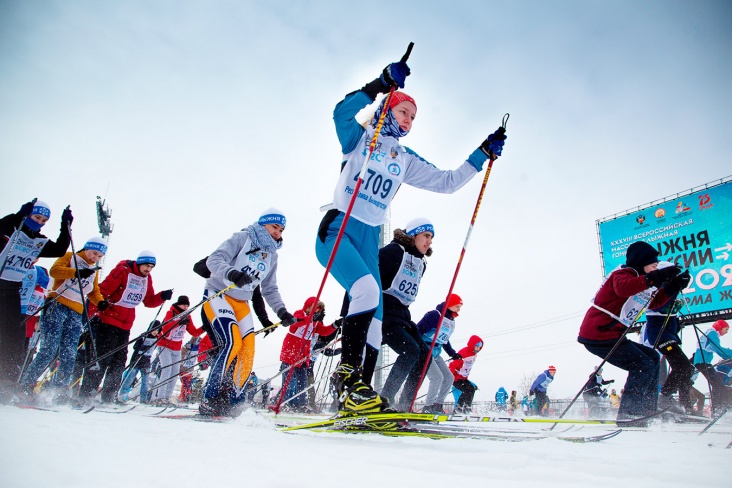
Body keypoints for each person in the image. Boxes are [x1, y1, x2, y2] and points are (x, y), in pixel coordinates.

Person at [314, 55, 507, 414]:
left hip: (369, 237)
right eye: (404, 112)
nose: (408, 120)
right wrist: (379, 84)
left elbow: (447, 182)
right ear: (388, 108)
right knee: (369, 292)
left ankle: (358, 398)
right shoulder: (360, 138)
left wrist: (482, 154)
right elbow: (340, 113)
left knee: (374, 314)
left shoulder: (404, 158)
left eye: (413, 117)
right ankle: (347, 376)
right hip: (340, 226)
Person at [199, 209, 296, 417]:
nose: (278, 233)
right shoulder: (243, 237)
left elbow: (269, 288)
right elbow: (214, 259)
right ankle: (209, 397)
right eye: (274, 227)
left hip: (242, 302)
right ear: (263, 225)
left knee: (248, 349)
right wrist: (231, 272)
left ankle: (235, 399)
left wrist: (281, 311)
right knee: (231, 342)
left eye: (281, 230)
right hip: (219, 293)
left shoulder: (272, 256)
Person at [577, 240, 680, 422]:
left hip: (612, 335)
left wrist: (673, 287)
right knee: (642, 364)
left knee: (652, 358)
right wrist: (657, 277)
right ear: (642, 263)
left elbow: (654, 303)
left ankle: (646, 409)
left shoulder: (642, 283)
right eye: (653, 266)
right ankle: (629, 413)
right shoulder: (624, 273)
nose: (656, 269)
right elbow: (622, 288)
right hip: (598, 333)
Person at [20, 237, 108, 404]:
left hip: (76, 311)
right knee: (49, 349)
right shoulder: (70, 257)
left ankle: (60, 391)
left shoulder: (93, 270)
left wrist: (100, 302)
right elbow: (55, 271)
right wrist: (75, 272)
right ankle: (27, 384)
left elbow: (93, 291)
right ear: (86, 248)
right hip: (57, 304)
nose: (94, 258)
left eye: (99, 256)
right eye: (94, 253)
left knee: (69, 353)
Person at [78, 250, 171, 405]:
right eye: (146, 266)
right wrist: (89, 318)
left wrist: (162, 296)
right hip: (108, 321)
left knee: (119, 362)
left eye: (151, 267)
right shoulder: (122, 271)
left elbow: (148, 301)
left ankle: (109, 396)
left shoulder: (146, 279)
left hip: (125, 325)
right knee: (102, 359)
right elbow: (101, 291)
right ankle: (87, 394)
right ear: (139, 263)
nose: (148, 269)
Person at [0, 200, 72, 392]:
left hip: (12, 288)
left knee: (14, 336)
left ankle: (6, 381)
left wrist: (65, 227)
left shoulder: (37, 240)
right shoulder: (11, 228)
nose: (39, 222)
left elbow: (58, 250)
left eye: (43, 220)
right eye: (36, 217)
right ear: (27, 215)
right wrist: (18, 216)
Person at [374, 218, 434, 411]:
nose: (429, 241)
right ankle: (384, 401)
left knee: (425, 355)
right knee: (410, 350)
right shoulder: (392, 252)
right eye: (426, 235)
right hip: (382, 311)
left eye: (431, 237)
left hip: (402, 315)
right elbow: (368, 275)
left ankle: (405, 403)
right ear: (413, 235)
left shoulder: (421, 264)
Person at [641, 261, 694, 413]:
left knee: (687, 369)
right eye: (673, 274)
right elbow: (657, 306)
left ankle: (686, 406)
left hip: (668, 334)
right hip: (660, 335)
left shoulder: (669, 288)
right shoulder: (657, 289)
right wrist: (676, 286)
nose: (674, 276)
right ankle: (664, 397)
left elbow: (668, 310)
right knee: (683, 366)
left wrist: (677, 324)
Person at [278, 297, 336, 412]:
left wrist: (335, 325)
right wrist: (310, 318)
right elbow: (296, 323)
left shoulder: (315, 323)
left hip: (303, 355)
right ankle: (282, 403)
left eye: (318, 309)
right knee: (287, 381)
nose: (316, 311)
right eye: (314, 308)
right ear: (308, 307)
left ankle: (303, 404)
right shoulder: (300, 313)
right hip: (292, 351)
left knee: (302, 381)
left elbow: (324, 331)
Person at [149, 296, 203, 405]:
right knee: (167, 369)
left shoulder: (187, 316)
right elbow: (165, 330)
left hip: (177, 347)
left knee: (174, 372)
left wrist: (204, 327)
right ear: (178, 304)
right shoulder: (171, 313)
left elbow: (194, 332)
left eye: (187, 305)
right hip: (165, 345)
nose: (185, 307)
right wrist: (179, 322)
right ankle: (160, 397)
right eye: (183, 305)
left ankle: (167, 397)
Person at [417, 294, 463, 413]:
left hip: (436, 352)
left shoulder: (451, 321)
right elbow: (418, 330)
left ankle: (438, 404)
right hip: (425, 350)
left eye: (460, 307)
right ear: (450, 304)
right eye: (457, 306)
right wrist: (419, 346)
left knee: (449, 378)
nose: (459, 309)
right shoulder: (434, 315)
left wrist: (452, 354)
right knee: (437, 377)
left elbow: (444, 339)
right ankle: (428, 406)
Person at [692, 319, 732, 417]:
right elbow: (717, 348)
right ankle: (717, 410)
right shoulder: (712, 333)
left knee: (717, 385)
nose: (726, 332)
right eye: (726, 329)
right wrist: (730, 353)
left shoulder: (711, 332)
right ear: (721, 327)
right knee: (718, 386)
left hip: (703, 361)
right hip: (703, 362)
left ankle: (717, 410)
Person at [118, 320, 160, 403]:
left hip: (146, 362)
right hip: (137, 360)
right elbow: (135, 346)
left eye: (157, 330)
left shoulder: (156, 338)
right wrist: (143, 348)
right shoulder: (143, 336)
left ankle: (143, 399)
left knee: (145, 381)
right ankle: (121, 397)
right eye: (154, 330)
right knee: (129, 380)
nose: (155, 332)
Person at [449, 335, 484, 414]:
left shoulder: (474, 355)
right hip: (455, 378)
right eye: (477, 346)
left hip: (463, 378)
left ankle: (467, 407)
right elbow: (453, 365)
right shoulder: (464, 352)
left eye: (480, 347)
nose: (478, 349)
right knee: (466, 390)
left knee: (471, 388)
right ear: (472, 345)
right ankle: (458, 407)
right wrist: (451, 376)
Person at [178, 335, 202, 403]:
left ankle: (183, 398)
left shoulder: (198, 349)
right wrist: (186, 349)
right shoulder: (186, 347)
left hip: (190, 370)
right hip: (183, 369)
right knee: (185, 384)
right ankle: (182, 399)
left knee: (187, 385)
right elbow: (181, 356)